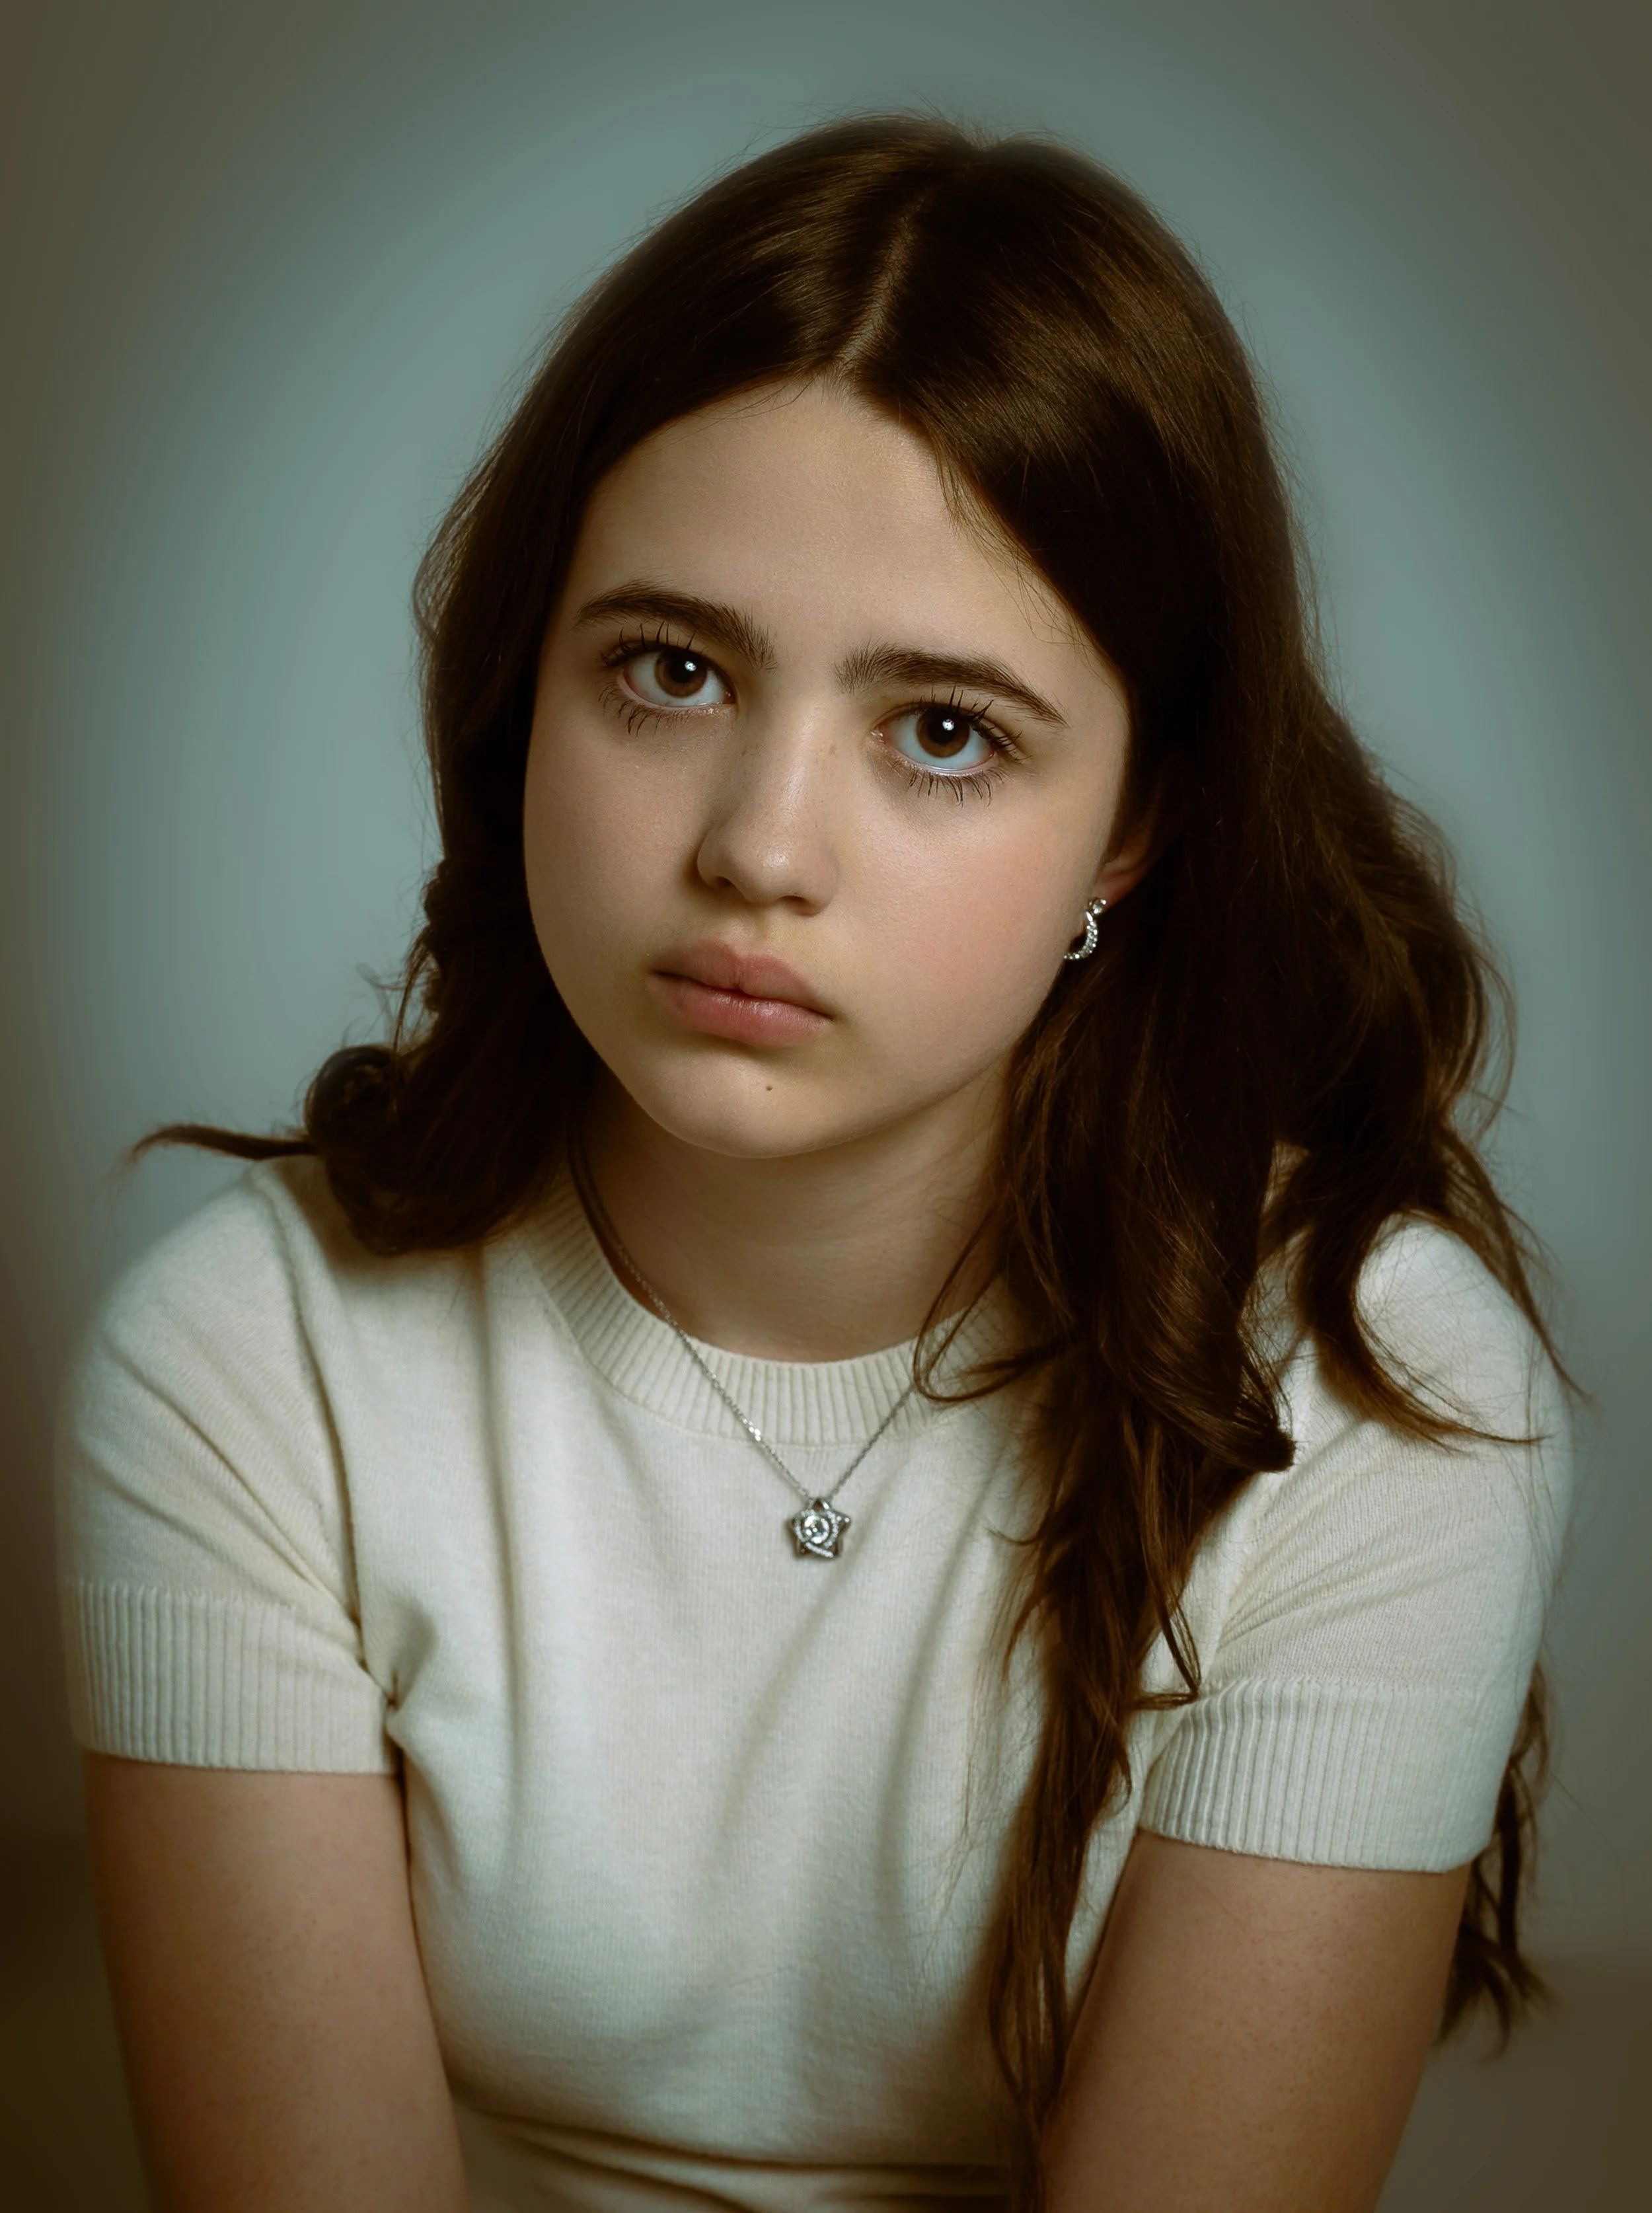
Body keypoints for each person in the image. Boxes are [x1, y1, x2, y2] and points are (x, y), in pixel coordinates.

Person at [56, 116, 1573, 2212]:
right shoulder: (253, 1353)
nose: (757, 847)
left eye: (942, 728)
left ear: (1134, 826)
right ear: (524, 689)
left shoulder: (1371, 1390)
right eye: (670, 671)